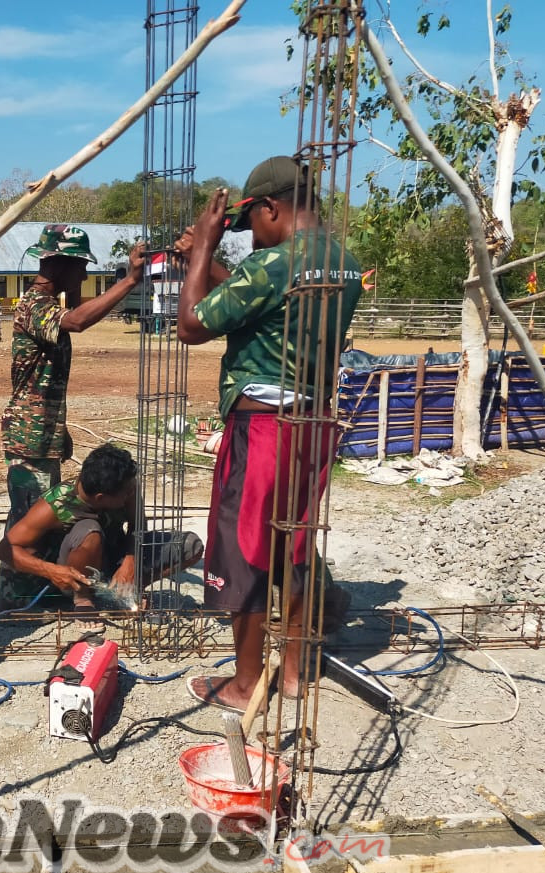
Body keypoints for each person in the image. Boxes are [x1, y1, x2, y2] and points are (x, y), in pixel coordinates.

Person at [175, 156, 363, 710]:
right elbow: (254, 301)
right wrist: (205, 265)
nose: (251, 237)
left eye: (251, 223)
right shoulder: (342, 262)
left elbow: (191, 325)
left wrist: (205, 245)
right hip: (312, 423)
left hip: (262, 425)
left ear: (271, 208)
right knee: (293, 546)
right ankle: (297, 672)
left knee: (246, 551)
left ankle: (245, 682)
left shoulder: (275, 263)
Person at [0, 225, 146, 610]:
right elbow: (78, 321)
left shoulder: (50, 303)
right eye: (79, 267)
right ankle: (15, 606)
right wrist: (129, 281)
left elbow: (74, 312)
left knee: (46, 525)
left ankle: (44, 596)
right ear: (60, 264)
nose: (83, 276)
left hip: (44, 435)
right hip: (29, 439)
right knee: (26, 528)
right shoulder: (34, 304)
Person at [0, 443, 203, 611]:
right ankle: (83, 600)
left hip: (116, 556)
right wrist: (52, 571)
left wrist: (130, 562)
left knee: (190, 546)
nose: (131, 494)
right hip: (77, 569)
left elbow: (138, 526)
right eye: (126, 493)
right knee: (89, 531)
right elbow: (5, 549)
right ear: (101, 498)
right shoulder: (55, 505)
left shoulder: (124, 484)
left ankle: (124, 593)